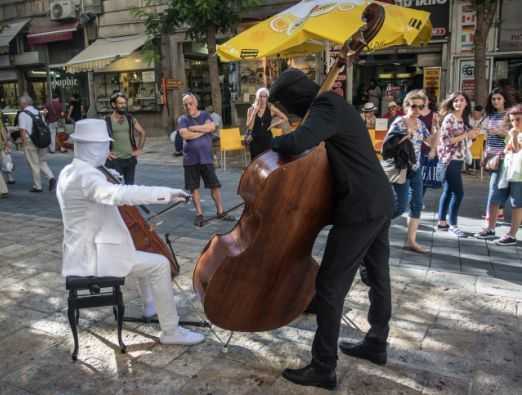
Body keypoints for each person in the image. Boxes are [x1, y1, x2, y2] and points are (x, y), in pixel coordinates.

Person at [269, 68, 394, 390]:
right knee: (379, 275)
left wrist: (269, 139)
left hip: (360, 207)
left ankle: (324, 367)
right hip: (378, 198)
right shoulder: (334, 105)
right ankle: (376, 342)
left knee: (328, 287)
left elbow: (297, 142)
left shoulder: (326, 106)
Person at [56, 118, 204, 345]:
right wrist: (166, 193)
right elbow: (118, 195)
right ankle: (171, 331)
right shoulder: (88, 176)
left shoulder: (69, 171)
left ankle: (149, 306)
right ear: (93, 147)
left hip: (78, 251)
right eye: (105, 146)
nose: (107, 151)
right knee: (159, 264)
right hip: (94, 258)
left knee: (138, 251)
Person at [386, 90, 434, 253]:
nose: (417, 110)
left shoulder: (421, 124)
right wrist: (404, 136)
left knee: (417, 204)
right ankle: (376, 224)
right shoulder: (399, 122)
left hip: (416, 168)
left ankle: (411, 241)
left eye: (421, 107)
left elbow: (428, 141)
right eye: (414, 106)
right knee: (400, 206)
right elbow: (388, 145)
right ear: (406, 106)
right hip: (402, 169)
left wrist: (438, 129)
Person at [178, 93, 235, 227]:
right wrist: (203, 131)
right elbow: (185, 134)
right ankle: (199, 214)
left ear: (196, 103)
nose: (188, 106)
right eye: (185, 104)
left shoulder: (204, 115)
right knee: (194, 188)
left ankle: (220, 211)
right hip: (190, 159)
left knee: (214, 186)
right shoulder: (182, 119)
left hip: (206, 158)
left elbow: (211, 127)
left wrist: (194, 128)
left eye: (190, 103)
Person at [436, 92, 480, 237]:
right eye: (456, 101)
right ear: (451, 103)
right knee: (458, 193)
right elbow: (446, 140)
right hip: (449, 159)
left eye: (461, 100)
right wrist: (467, 135)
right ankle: (453, 224)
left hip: (458, 158)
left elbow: (465, 140)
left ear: (466, 103)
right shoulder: (449, 118)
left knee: (448, 191)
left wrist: (473, 135)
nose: (458, 103)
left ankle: (442, 222)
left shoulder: (463, 118)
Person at [474, 89, 512, 239]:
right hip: (490, 154)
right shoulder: (490, 115)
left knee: (494, 189)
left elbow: (514, 134)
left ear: (505, 100)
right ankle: (497, 215)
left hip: (503, 156)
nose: (496, 101)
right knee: (498, 188)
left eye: (498, 98)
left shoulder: (509, 114)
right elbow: (487, 136)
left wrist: (500, 132)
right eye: (493, 99)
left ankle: (490, 226)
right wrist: (484, 151)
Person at [493, 104, 522, 245]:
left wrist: (514, 137)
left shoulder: (516, 134)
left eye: (518, 119)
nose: (515, 123)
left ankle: (512, 234)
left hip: (519, 175)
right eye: (512, 120)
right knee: (507, 200)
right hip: (511, 173)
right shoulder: (513, 133)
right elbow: (507, 150)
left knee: (517, 204)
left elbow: (516, 151)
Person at [105, 92, 146, 185]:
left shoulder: (130, 118)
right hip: (114, 161)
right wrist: (105, 152)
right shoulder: (107, 120)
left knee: (130, 188)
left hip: (130, 159)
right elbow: (98, 139)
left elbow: (142, 132)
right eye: (120, 103)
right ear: (113, 104)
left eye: (124, 103)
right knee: (115, 188)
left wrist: (139, 149)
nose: (123, 105)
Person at [18, 95, 56, 193]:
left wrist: (23, 143)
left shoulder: (23, 114)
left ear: (23, 103)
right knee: (42, 161)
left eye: (20, 103)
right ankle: (51, 177)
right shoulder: (37, 111)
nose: (19, 105)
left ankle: (37, 186)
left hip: (30, 141)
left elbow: (22, 130)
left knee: (34, 164)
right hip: (41, 140)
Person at [245, 87, 288, 159]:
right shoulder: (251, 109)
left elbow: (285, 118)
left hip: (267, 139)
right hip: (255, 140)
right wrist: (254, 113)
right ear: (257, 97)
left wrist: (273, 125)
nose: (262, 98)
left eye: (264, 96)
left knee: (268, 161)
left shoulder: (271, 108)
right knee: (255, 162)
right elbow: (249, 126)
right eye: (260, 96)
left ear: (267, 97)